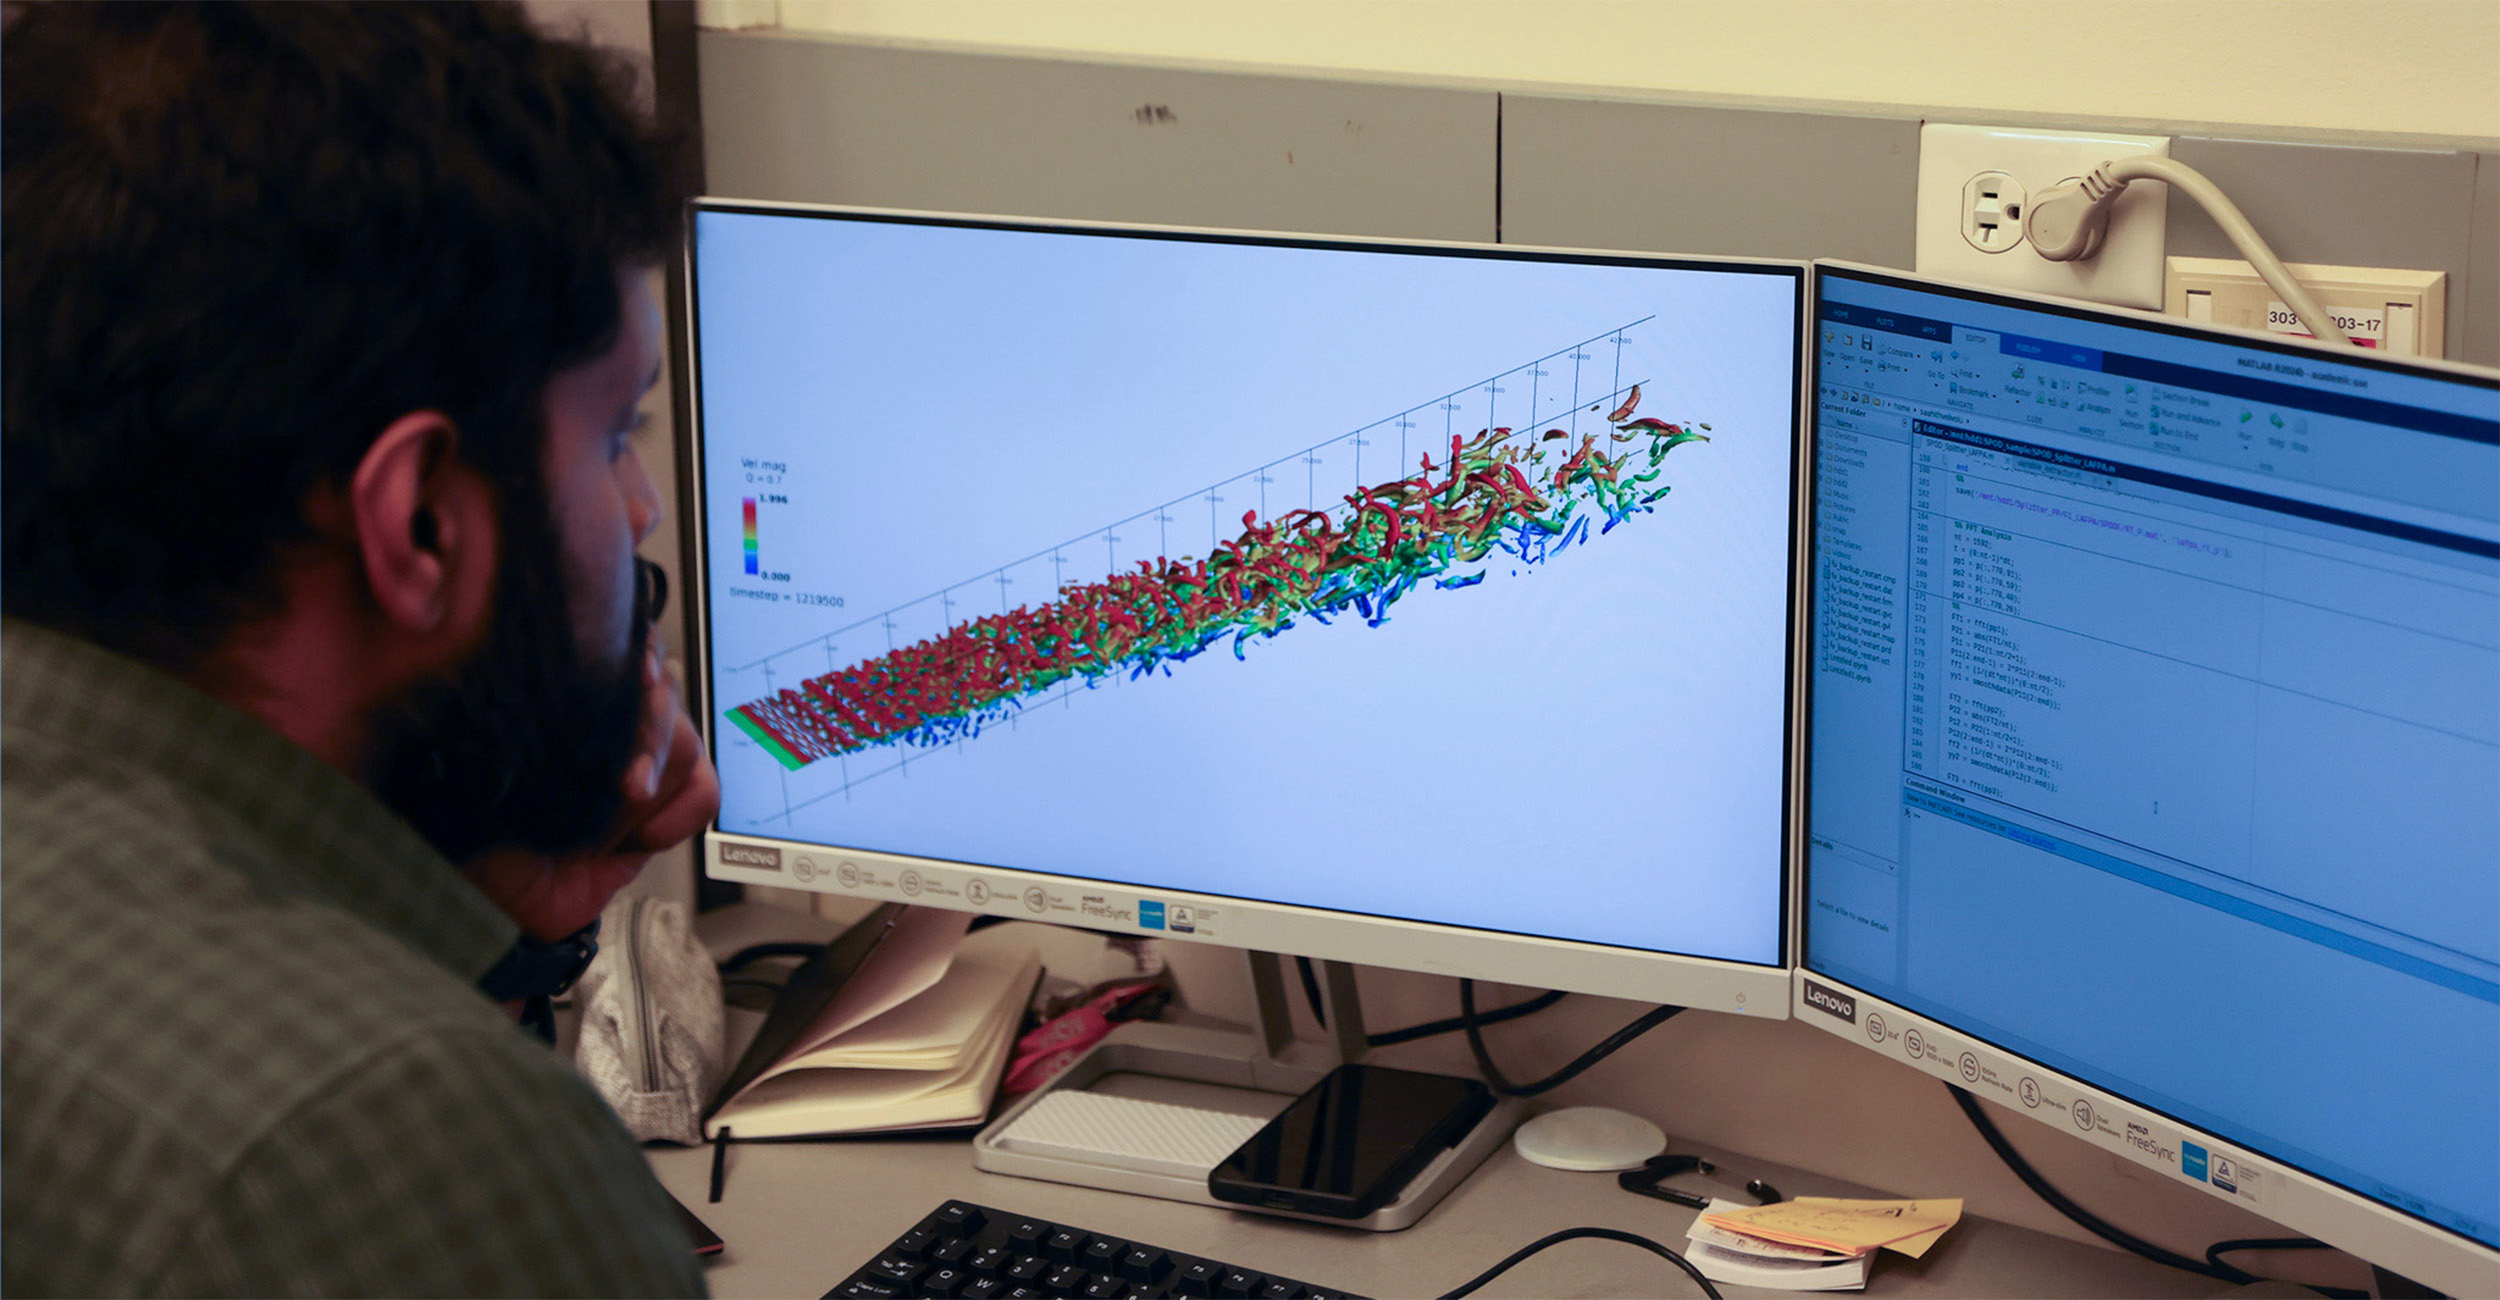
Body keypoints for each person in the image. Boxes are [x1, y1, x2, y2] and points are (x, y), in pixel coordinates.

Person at [2, 3, 719, 1293]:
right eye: (617, 438)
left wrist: (484, 928)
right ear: (421, 522)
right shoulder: (404, 1145)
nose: (641, 513)